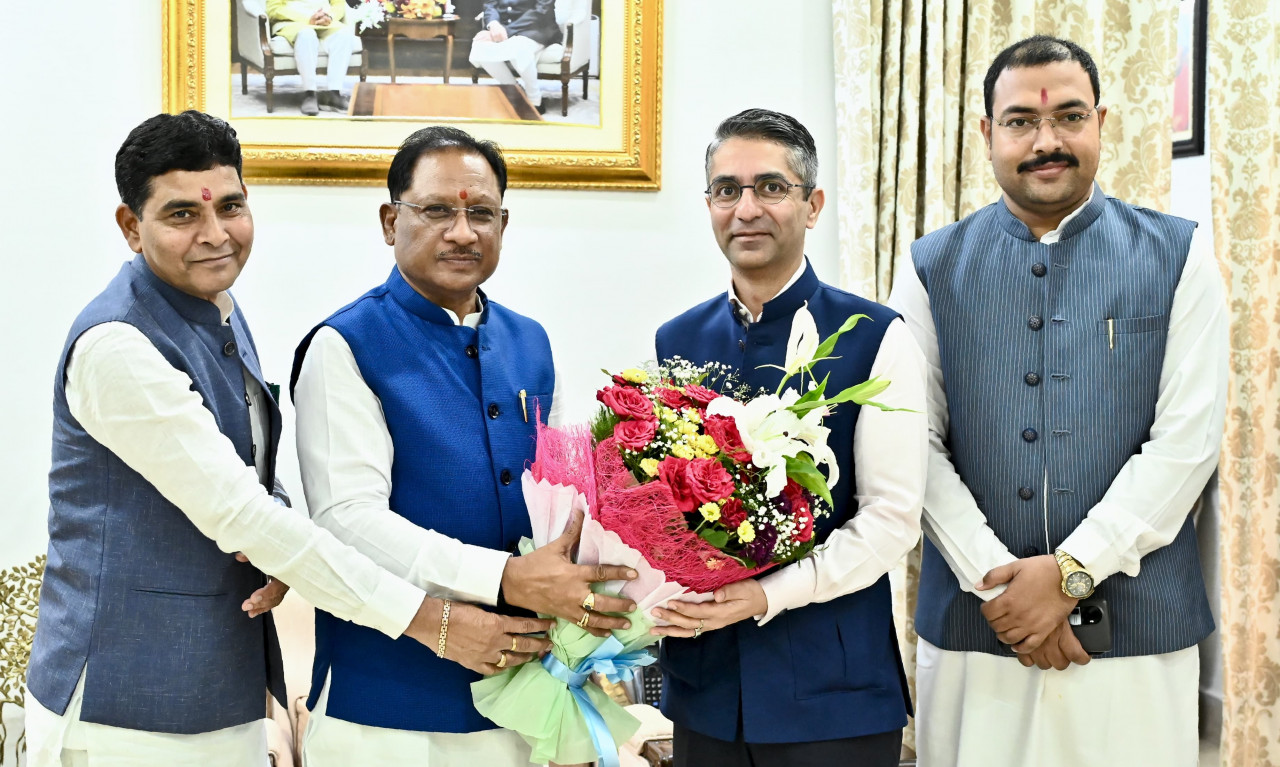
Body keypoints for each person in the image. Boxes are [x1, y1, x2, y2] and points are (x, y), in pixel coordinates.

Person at [23, 111, 540, 767]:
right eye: (182, 214)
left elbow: (245, 478)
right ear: (131, 226)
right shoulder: (118, 346)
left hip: (220, 682)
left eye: (230, 207)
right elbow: (242, 515)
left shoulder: (215, 310)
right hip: (123, 704)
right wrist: (437, 622)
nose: (215, 234)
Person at [888, 35, 1227, 766]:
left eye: (1069, 117)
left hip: (1140, 633)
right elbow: (912, 443)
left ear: (1100, 123)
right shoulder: (930, 266)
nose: (1047, 141)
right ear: (987, 133)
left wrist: (1073, 572)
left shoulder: (1179, 254)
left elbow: (1189, 442)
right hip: (980, 628)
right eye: (1020, 122)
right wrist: (1002, 588)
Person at [289, 125, 637, 766]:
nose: (462, 232)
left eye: (481, 213)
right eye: (436, 211)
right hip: (387, 706)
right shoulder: (346, 344)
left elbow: (565, 500)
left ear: (503, 224)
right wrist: (503, 577)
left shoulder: (532, 342)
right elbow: (347, 520)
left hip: (524, 695)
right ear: (391, 221)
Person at [650, 108, 927, 767]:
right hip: (706, 688)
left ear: (813, 205)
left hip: (832, 693)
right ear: (710, 205)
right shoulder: (677, 339)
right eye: (727, 189)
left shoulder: (874, 336)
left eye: (771, 187)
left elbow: (891, 519)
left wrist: (766, 594)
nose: (746, 208)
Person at [265, 0, 356, 115]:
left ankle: (334, 93)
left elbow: (338, 4)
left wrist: (329, 16)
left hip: (326, 22)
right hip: (293, 22)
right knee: (307, 35)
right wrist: (307, 18)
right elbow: (274, 9)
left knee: (344, 36)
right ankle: (310, 93)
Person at [468, 0, 560, 114]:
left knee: (519, 47)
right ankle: (514, 90)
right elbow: (490, 4)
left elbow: (541, 11)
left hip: (536, 29)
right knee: (480, 46)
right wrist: (493, 24)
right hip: (503, 29)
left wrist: (504, 31)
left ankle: (535, 100)